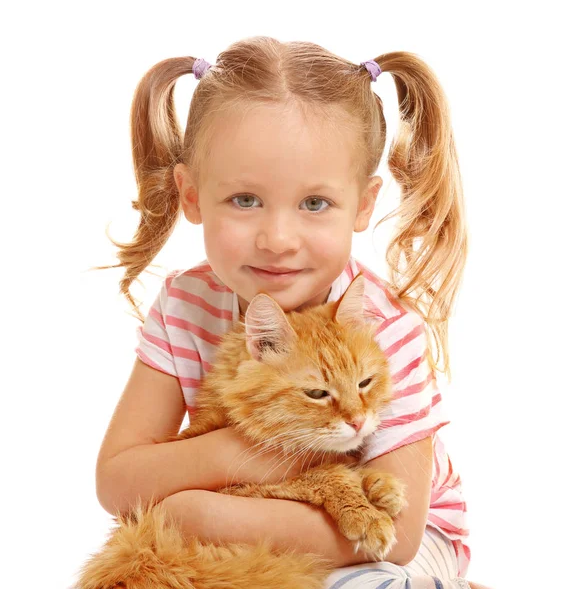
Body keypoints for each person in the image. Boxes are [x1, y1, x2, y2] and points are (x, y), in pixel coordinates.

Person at [94, 36, 492, 589]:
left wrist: (198, 512)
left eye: (314, 203)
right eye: (245, 200)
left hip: (405, 540)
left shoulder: (381, 323)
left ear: (365, 204)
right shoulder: (185, 304)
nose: (278, 240)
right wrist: (253, 457)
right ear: (190, 195)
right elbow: (117, 483)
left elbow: (393, 537)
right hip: (260, 511)